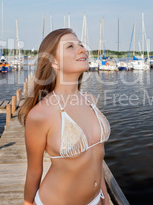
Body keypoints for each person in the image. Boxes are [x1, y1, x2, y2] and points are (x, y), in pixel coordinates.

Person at [19, 28, 111, 205]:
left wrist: (104, 197)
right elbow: (33, 172)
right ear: (54, 62)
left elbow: (97, 156)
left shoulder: (91, 101)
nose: (82, 49)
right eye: (70, 46)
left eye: (81, 45)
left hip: (95, 200)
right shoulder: (40, 115)